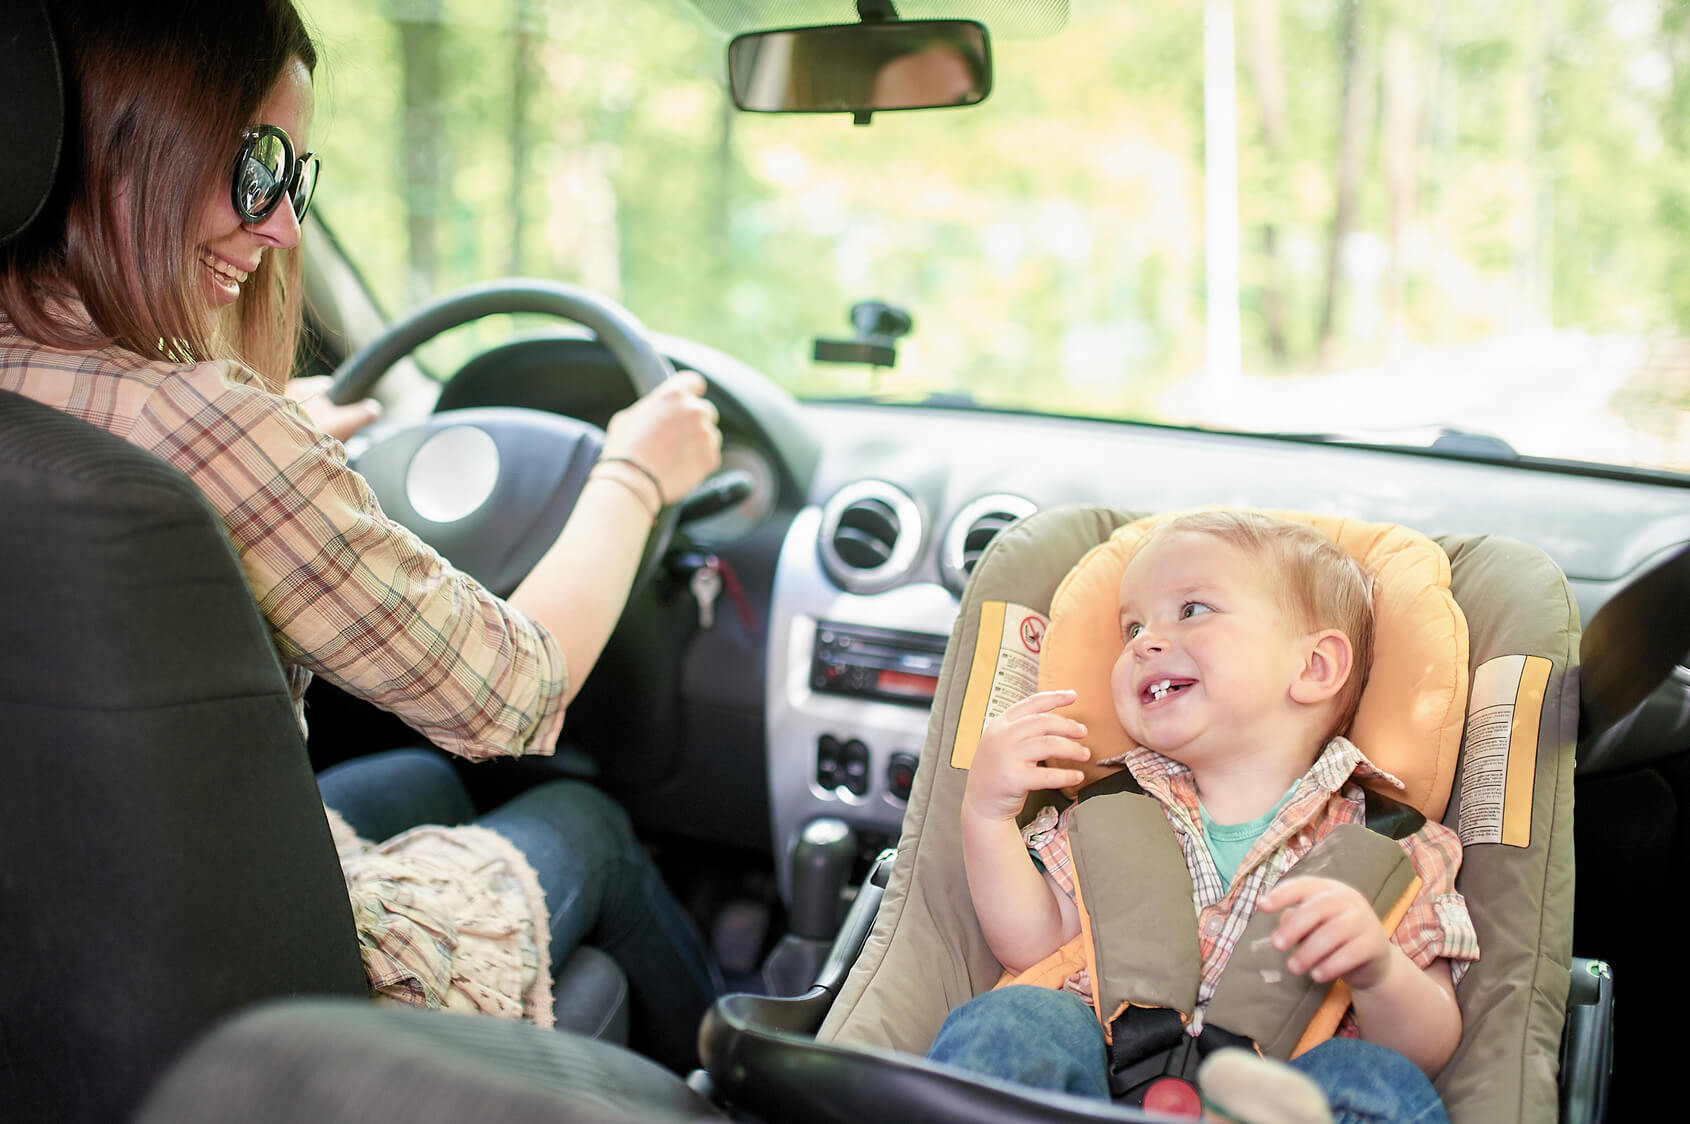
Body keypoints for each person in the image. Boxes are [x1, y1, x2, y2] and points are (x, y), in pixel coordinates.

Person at [0, 0, 722, 1074]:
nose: (283, 224)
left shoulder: (74, 403)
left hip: (65, 931)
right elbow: (519, 694)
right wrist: (635, 474)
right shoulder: (215, 428)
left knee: (417, 782)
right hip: (257, 996)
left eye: (298, 179)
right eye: (256, 166)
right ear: (130, 144)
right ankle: (739, 1083)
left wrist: (275, 427)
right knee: (586, 815)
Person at [927, 511, 1479, 1123]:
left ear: (1314, 667)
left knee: (1376, 1079)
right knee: (1010, 1021)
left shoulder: (1397, 847)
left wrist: (1377, 969)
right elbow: (1029, 944)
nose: (1143, 641)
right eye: (1132, 626)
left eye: (1192, 610)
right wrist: (987, 814)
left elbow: (1426, 1049)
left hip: (1284, 1088)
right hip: (1099, 1074)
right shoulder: (1108, 811)